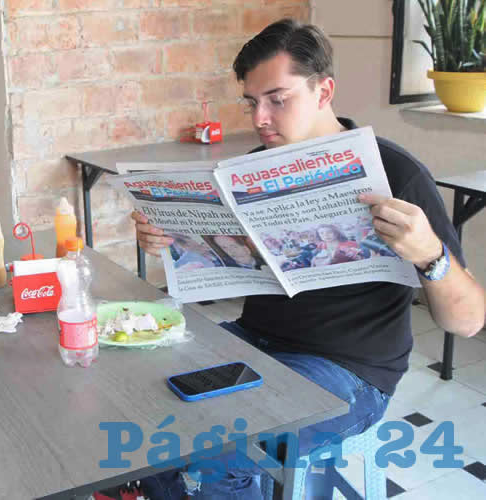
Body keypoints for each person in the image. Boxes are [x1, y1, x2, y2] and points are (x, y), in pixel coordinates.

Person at [131, 19, 485, 499]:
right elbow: (235, 272)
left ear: (324, 91)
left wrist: (431, 255)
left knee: (213, 455)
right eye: (252, 102)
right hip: (257, 341)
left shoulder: (396, 173)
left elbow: (466, 323)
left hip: (349, 370)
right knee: (139, 404)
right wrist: (171, 237)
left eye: (278, 99)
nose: (259, 117)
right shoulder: (253, 167)